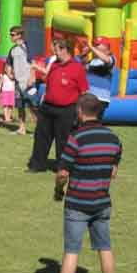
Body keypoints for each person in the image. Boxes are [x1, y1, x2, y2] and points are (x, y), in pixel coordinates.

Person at [54, 94, 122, 273]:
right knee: (105, 248)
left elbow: (63, 173)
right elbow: (113, 172)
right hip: (101, 202)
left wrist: (58, 190)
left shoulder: (76, 138)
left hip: (77, 203)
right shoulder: (114, 138)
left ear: (80, 112)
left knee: (72, 251)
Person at [28, 38, 89, 173]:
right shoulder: (54, 65)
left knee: (63, 140)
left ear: (64, 50)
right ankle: (37, 164)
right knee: (41, 136)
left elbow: (84, 91)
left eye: (56, 50)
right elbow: (48, 81)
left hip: (67, 110)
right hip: (48, 107)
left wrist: (80, 111)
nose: (54, 53)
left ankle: (62, 167)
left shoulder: (77, 68)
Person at [6, 25, 35, 135]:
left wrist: (32, 78)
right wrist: (9, 73)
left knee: (33, 107)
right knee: (20, 106)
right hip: (18, 83)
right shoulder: (12, 50)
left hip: (28, 82)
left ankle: (39, 130)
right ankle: (21, 128)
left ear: (19, 35)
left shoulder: (27, 47)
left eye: (12, 34)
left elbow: (33, 63)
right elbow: (9, 63)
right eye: (10, 34)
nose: (10, 36)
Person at [79, 37, 115, 116]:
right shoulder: (91, 61)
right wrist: (84, 53)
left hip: (100, 98)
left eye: (98, 44)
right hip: (87, 97)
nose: (96, 46)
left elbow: (106, 60)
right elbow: (80, 67)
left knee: (93, 122)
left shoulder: (111, 58)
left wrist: (91, 47)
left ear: (107, 47)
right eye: (95, 44)